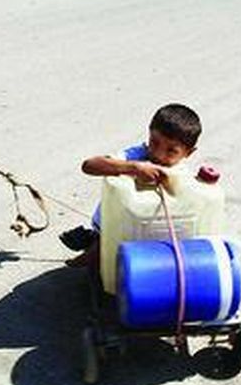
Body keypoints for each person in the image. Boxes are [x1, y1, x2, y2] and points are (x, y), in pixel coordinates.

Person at [59, 104, 202, 267]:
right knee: (102, 255)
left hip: (152, 234)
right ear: (149, 133)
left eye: (171, 151)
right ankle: (92, 249)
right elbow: (89, 165)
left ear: (188, 153)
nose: (159, 154)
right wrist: (133, 168)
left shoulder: (182, 172)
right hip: (114, 227)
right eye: (154, 143)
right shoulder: (136, 156)